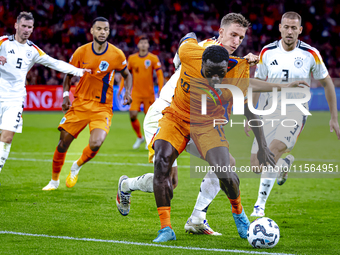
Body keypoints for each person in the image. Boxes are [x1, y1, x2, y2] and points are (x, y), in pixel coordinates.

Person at [115, 13, 307, 235]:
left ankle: (197, 218)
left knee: (226, 164)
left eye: (241, 38)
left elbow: (241, 81)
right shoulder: (204, 49)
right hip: (166, 112)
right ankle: (126, 186)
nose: (236, 41)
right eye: (233, 35)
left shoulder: (228, 60)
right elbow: (188, 44)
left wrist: (279, 85)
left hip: (199, 120)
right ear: (221, 32)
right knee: (170, 180)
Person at [151, 31, 277, 242]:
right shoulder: (188, 52)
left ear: (227, 67)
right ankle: (166, 229)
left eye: (220, 73)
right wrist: (176, 61)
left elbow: (249, 111)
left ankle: (240, 216)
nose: (216, 78)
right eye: (210, 72)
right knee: (161, 161)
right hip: (177, 116)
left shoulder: (237, 73)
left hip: (209, 123)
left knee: (225, 170)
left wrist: (263, 146)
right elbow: (188, 35)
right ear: (201, 63)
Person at [248, 11, 340, 217]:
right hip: (268, 112)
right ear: (280, 27)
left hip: (295, 112)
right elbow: (256, 85)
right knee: (255, 165)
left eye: (294, 28)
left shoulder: (310, 54)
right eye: (286, 27)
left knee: (269, 153)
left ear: (300, 30)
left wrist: (334, 118)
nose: (289, 32)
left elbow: (328, 84)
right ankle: (284, 164)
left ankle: (259, 207)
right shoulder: (266, 52)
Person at [42, 17, 132, 190]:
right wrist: (66, 95)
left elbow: (127, 75)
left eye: (105, 29)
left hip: (102, 108)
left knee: (96, 143)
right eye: (99, 29)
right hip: (80, 105)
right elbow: (68, 75)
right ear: (92, 31)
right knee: (63, 144)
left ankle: (76, 165)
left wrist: (127, 91)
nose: (102, 32)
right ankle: (54, 181)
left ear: (109, 31)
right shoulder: (80, 52)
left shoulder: (117, 54)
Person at [0, 12, 90, 176]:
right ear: (16, 25)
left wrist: (79, 71)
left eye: (30, 27)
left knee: (6, 138)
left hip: (15, 99)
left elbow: (55, 63)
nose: (26, 30)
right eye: (24, 26)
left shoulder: (33, 50)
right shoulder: (3, 42)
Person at [119, 36, 164, 149]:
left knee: (149, 118)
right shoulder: (132, 58)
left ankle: (150, 140)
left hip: (149, 93)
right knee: (132, 115)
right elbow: (126, 75)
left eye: (145, 43)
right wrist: (120, 89)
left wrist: (160, 88)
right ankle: (140, 137)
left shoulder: (153, 58)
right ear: (138, 45)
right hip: (136, 93)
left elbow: (159, 74)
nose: (143, 45)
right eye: (141, 43)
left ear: (148, 45)